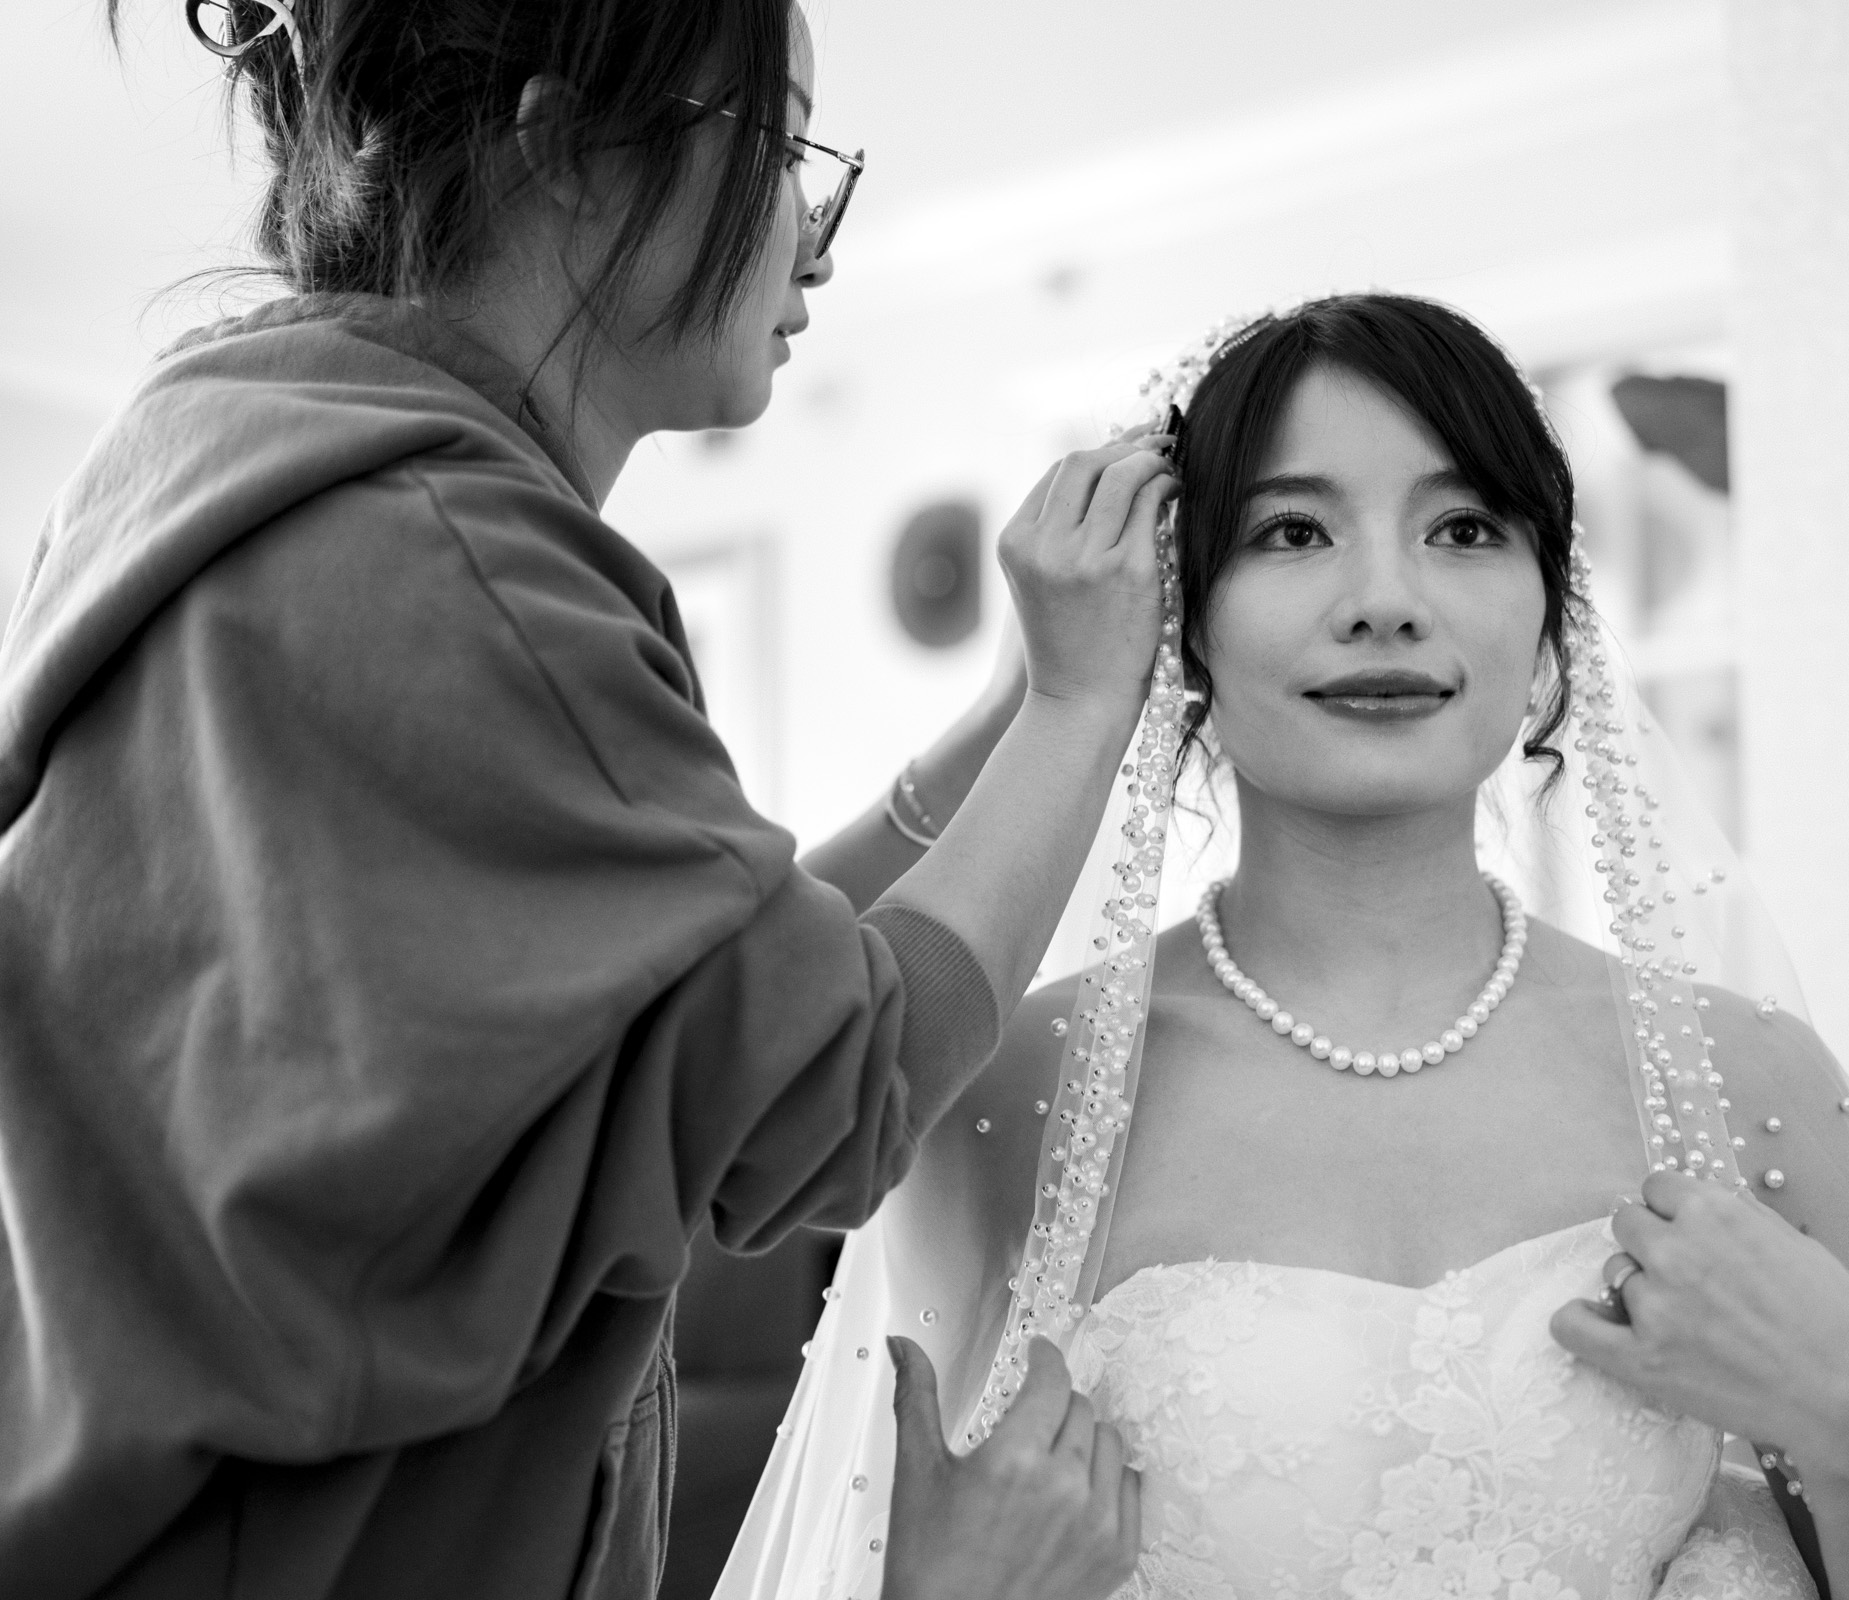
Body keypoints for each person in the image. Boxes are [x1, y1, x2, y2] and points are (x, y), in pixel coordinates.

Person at [0, 3, 1159, 1597]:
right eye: (783, 149)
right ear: (565, 153)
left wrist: (1016, 706)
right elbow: (829, 1102)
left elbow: (687, 1013)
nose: (813, 248)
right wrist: (1091, 705)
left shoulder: (236, 478)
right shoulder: (452, 559)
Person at [721, 295, 1849, 1600]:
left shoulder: (1743, 1080)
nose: (1384, 600)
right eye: (1292, 531)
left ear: (1549, 621)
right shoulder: (1008, 1094)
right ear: (1176, 622)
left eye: (1464, 527)